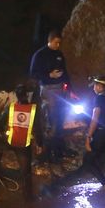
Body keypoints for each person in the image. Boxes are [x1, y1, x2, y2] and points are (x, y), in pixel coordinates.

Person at [28, 32, 71, 161]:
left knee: (60, 118)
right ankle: (48, 151)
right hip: (48, 89)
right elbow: (33, 73)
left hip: (60, 89)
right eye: (56, 42)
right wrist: (49, 76)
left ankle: (59, 149)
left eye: (59, 43)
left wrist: (69, 88)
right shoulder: (40, 55)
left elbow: (65, 71)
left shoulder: (59, 54)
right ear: (50, 40)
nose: (58, 45)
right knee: (50, 120)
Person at [0, 82, 44, 200]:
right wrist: (39, 143)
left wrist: (2, 133)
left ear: (16, 96)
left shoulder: (11, 107)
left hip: (10, 141)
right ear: (27, 95)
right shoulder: (33, 110)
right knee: (26, 173)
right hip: (24, 145)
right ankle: (28, 197)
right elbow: (38, 128)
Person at [80, 75, 105, 185]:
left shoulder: (99, 98)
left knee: (87, 161)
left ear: (100, 87)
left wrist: (88, 136)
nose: (93, 88)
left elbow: (95, 118)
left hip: (102, 133)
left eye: (95, 85)